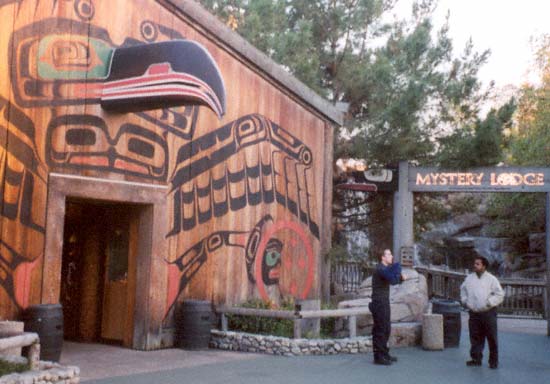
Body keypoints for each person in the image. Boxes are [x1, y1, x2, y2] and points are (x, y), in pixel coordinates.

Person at [460, 256, 505, 369]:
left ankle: (493, 362)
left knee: (491, 337)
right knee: (475, 337)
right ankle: (476, 358)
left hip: (488, 312)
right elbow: (463, 290)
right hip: (474, 312)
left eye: (478, 264)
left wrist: (490, 303)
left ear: (484, 266)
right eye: (475, 263)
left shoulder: (491, 279)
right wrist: (465, 301)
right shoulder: (469, 278)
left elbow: (500, 294)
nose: (475, 266)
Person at [368, 249, 406, 365]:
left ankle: (384, 353)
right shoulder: (380, 269)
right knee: (380, 329)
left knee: (386, 328)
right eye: (389, 254)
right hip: (379, 303)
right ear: (382, 257)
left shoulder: (385, 269)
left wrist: (400, 278)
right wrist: (400, 274)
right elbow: (393, 279)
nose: (392, 256)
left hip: (384, 302)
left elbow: (393, 278)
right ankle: (378, 357)